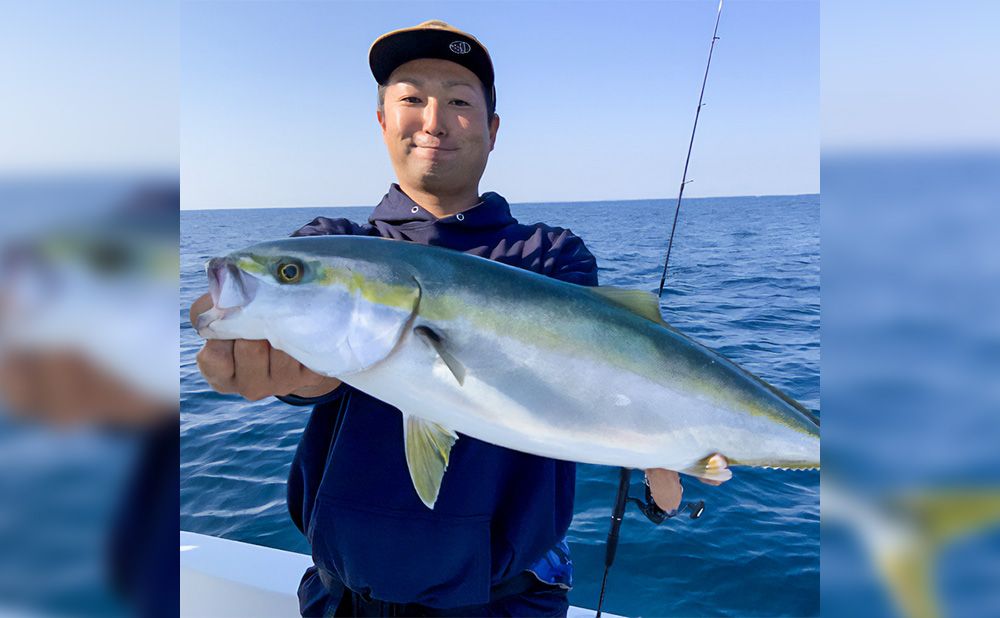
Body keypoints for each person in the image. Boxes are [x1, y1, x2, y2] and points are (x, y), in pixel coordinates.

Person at [191, 20, 722, 617]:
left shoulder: (547, 257)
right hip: (340, 597)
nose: (433, 120)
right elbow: (315, 371)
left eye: (460, 101)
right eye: (411, 98)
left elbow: (602, 375)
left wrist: (674, 446)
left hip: (505, 600)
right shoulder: (332, 244)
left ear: (493, 130)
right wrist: (287, 369)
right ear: (382, 120)